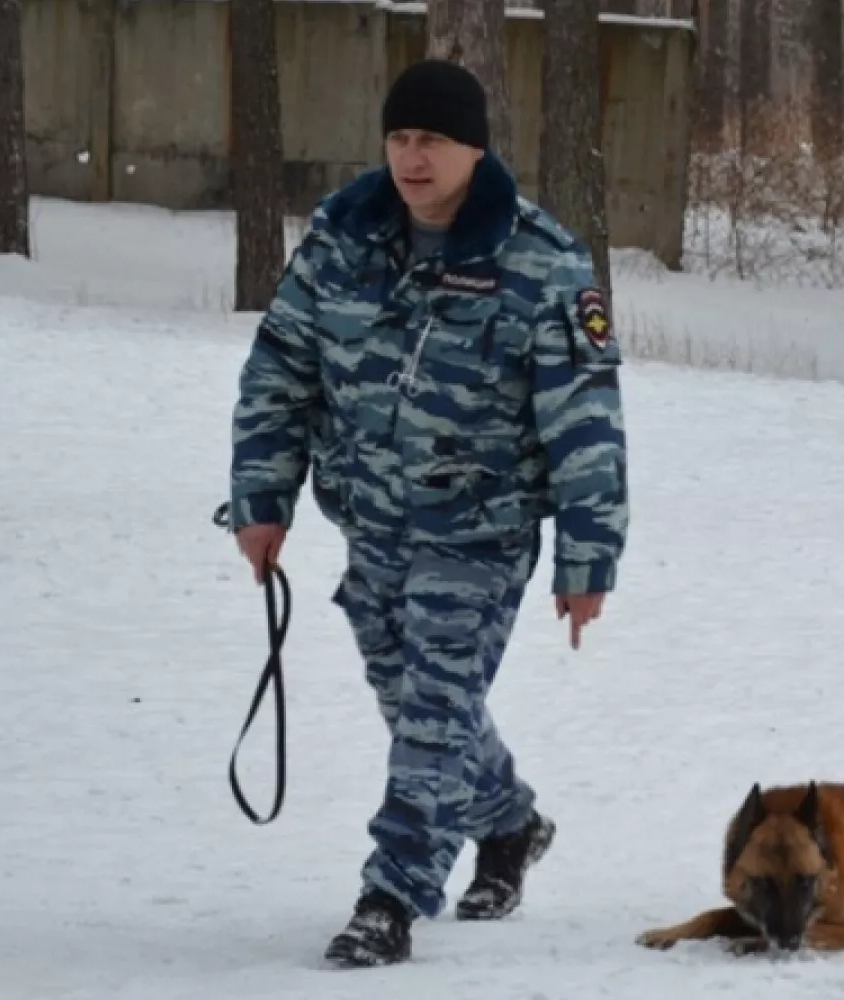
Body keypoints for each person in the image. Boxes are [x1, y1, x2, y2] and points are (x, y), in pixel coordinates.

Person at [224, 58, 629, 969]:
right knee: (411, 702)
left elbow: (587, 419)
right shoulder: (343, 238)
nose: (413, 158)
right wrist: (261, 498)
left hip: (481, 532)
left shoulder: (541, 260)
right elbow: (281, 371)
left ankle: (393, 894)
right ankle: (513, 824)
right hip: (372, 521)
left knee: (437, 708)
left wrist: (586, 558)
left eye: (433, 141)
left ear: (474, 150)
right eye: (400, 138)